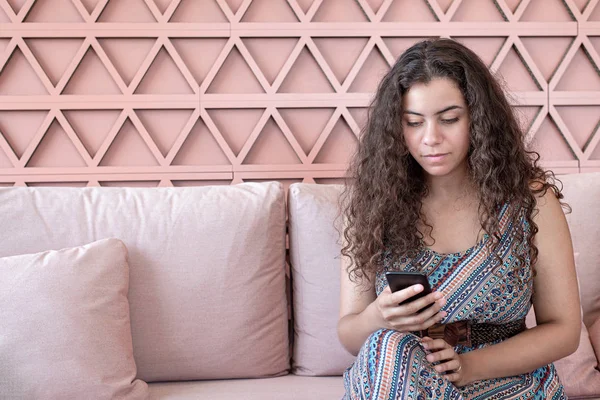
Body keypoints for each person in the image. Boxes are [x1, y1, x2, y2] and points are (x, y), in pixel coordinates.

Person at [337, 38, 581, 399]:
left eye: (449, 119)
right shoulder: (374, 205)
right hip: (403, 380)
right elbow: (351, 335)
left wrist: (469, 367)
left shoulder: (532, 202)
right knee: (387, 348)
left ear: (478, 118)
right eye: (414, 123)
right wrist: (378, 317)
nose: (431, 138)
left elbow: (564, 330)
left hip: (504, 379)